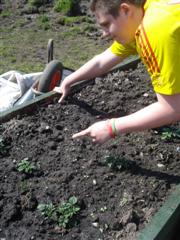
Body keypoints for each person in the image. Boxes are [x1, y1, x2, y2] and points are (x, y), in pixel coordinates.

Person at [54, 0, 180, 144]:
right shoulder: (147, 11)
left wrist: (111, 127)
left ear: (125, 10)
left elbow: (172, 108)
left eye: (106, 24)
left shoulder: (154, 32)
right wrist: (69, 80)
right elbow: (102, 61)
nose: (103, 34)